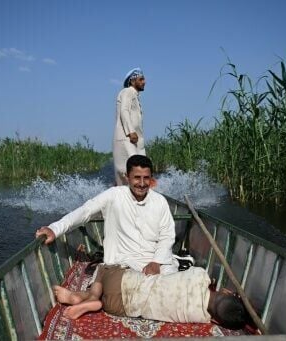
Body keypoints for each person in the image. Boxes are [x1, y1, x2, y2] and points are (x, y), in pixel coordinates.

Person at [35, 155, 178, 275]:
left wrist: (156, 262)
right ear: (127, 177)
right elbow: (85, 211)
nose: (141, 183)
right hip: (124, 263)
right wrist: (54, 229)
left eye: (146, 178)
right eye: (137, 178)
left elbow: (167, 235)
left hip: (157, 262)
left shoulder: (159, 201)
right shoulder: (114, 195)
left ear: (151, 179)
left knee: (176, 281)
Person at [53, 266, 249, 330]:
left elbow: (202, 279)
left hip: (124, 281)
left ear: (224, 292)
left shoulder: (200, 274)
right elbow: (220, 315)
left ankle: (90, 296)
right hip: (119, 306)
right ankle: (92, 301)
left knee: (105, 269)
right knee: (106, 301)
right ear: (215, 320)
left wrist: (213, 283)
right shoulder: (200, 317)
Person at [113, 68, 147, 185]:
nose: (144, 82)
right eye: (141, 79)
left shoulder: (135, 96)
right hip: (127, 138)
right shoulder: (127, 91)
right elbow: (124, 111)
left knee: (141, 169)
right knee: (131, 171)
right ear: (132, 81)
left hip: (136, 141)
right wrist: (130, 131)